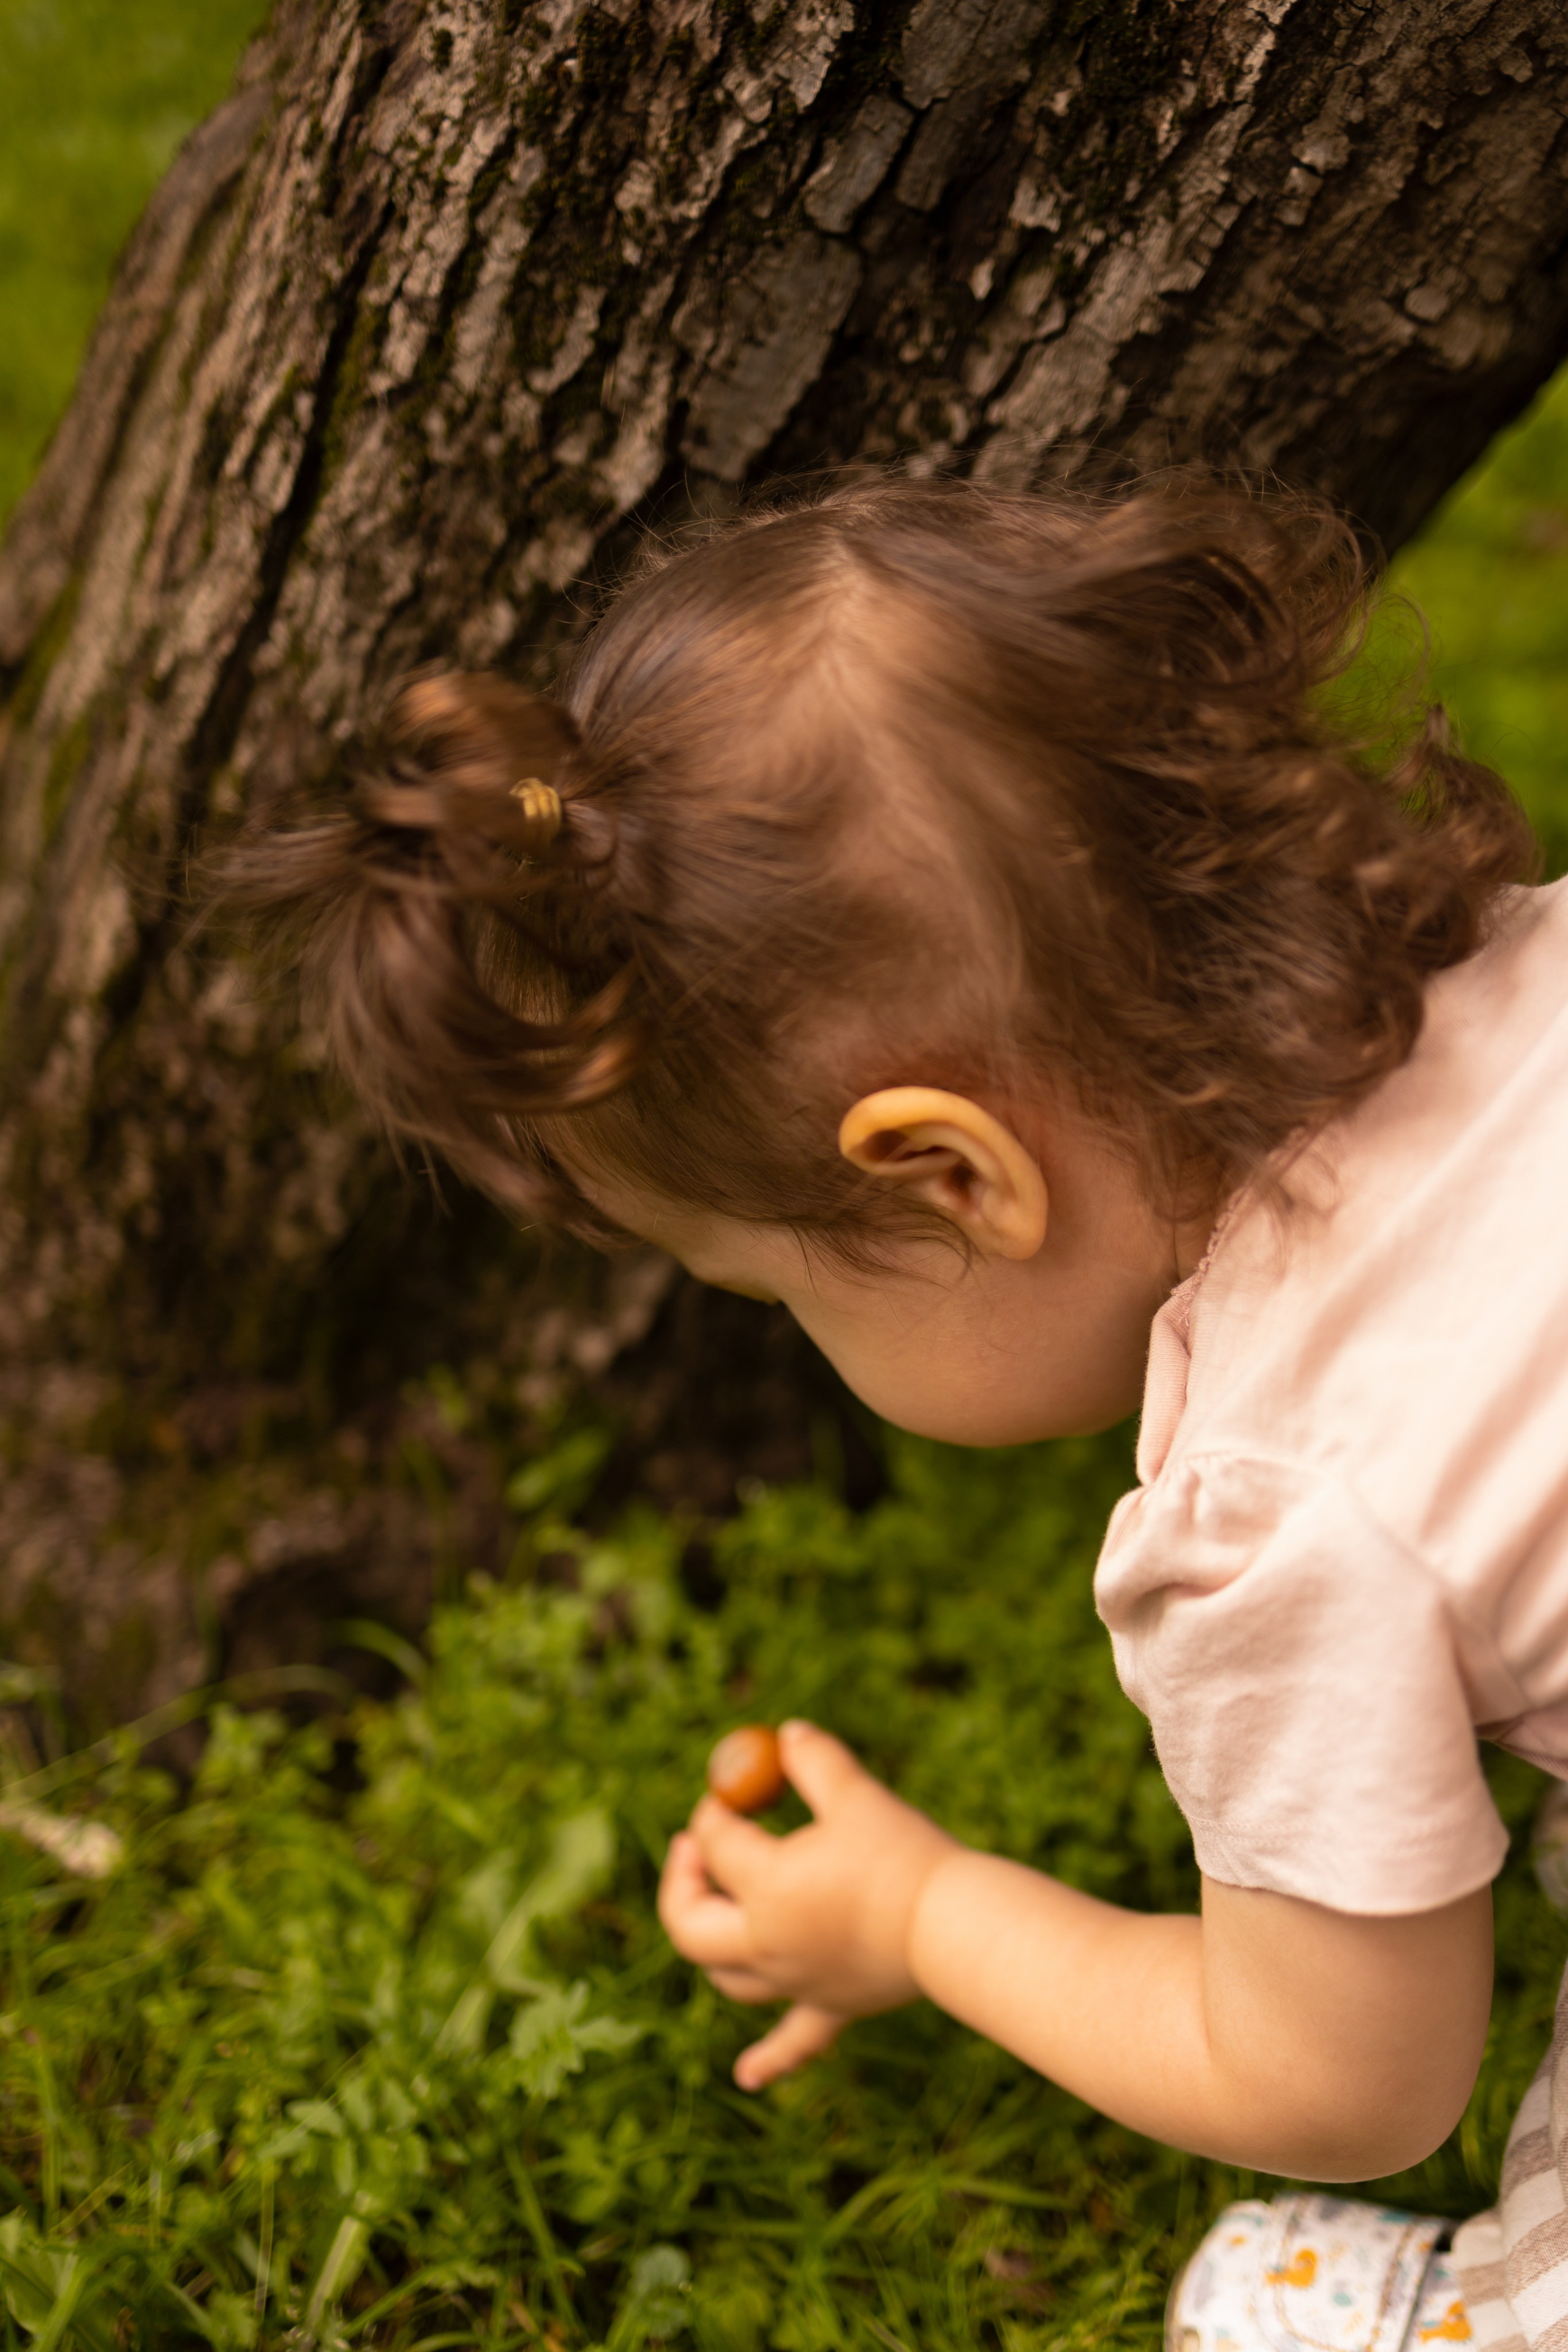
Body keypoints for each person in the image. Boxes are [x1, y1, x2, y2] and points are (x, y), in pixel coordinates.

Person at [235, 471, 1566, 2352]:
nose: (799, 1335)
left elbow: (1345, 2084)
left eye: (777, 1290)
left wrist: (928, 1913)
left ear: (950, 1179)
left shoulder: (1281, 1519)